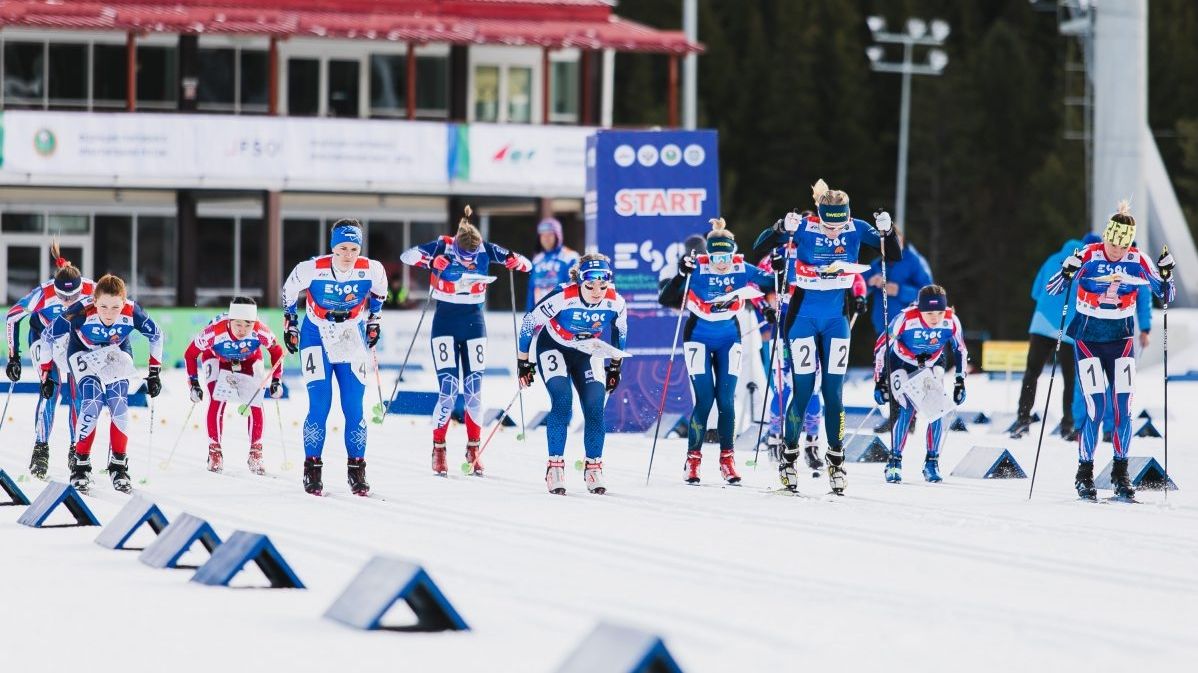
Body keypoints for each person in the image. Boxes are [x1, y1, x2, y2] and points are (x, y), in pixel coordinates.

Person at [753, 179, 901, 495]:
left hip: (836, 321)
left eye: (839, 225)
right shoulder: (805, 228)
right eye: (827, 225)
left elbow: (894, 255)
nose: (834, 232)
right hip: (802, 319)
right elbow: (760, 247)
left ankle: (836, 461)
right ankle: (789, 460)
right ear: (819, 216)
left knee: (834, 393)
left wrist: (887, 232)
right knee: (803, 390)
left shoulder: (857, 227)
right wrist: (780, 227)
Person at [1046, 200, 1175, 501]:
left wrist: (1167, 275)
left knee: (1124, 408)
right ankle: (1084, 472)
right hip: (1088, 341)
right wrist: (1066, 271)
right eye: (1111, 244)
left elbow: (1166, 295)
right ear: (1104, 237)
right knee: (1095, 407)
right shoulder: (1087, 255)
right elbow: (1053, 290)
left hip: (1122, 341)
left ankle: (1120, 470)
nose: (1115, 252)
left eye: (1121, 247)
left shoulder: (1138, 259)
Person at [401, 206, 531, 477]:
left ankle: (474, 449)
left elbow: (527, 264)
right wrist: (429, 262)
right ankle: (439, 448)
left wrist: (515, 262)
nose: (471, 262)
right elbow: (407, 256)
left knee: (473, 390)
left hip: (474, 322)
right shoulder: (442, 245)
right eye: (465, 257)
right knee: (448, 389)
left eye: (474, 258)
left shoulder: (486, 248)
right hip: (445, 322)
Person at [658, 218, 775, 485]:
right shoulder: (697, 268)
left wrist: (777, 269)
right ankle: (693, 460)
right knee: (704, 400)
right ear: (707, 253)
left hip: (729, 339)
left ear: (733, 253)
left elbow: (770, 282)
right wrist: (681, 274)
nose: (721, 262)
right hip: (698, 337)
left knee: (726, 401)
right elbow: (666, 298)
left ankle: (727, 460)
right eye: (715, 256)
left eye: (726, 255)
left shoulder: (741, 268)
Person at [282, 219, 388, 496]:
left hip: (351, 335)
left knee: (354, 407)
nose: (348, 255)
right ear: (332, 247)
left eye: (353, 248)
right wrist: (290, 323)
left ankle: (357, 471)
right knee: (320, 404)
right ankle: (312, 469)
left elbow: (380, 293)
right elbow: (288, 291)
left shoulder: (372, 269)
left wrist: (375, 321)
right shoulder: (311, 268)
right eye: (342, 248)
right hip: (315, 333)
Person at [40, 274, 163, 493]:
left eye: (115, 307)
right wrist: (47, 373)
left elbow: (156, 336)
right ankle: (81, 464)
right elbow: (47, 335)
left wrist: (154, 372)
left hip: (116, 352)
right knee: (92, 402)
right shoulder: (79, 311)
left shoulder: (132, 312)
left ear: (123, 303)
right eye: (103, 306)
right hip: (83, 352)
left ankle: (118, 464)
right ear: (94, 301)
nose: (109, 313)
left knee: (118, 403)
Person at [517, 254, 627, 495]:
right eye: (590, 286)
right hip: (553, 346)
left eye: (603, 285)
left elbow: (620, 331)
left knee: (595, 406)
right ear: (580, 282)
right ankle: (555, 467)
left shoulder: (615, 301)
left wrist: (615, 366)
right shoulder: (563, 295)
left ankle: (594, 468)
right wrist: (523, 362)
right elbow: (528, 323)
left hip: (586, 352)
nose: (597, 291)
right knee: (563, 401)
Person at [5, 244, 95, 479]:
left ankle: (77, 448)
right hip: (43, 337)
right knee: (50, 388)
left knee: (79, 393)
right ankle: (41, 447)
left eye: (73, 297)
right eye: (62, 296)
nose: (67, 302)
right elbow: (12, 317)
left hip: (73, 338)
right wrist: (13, 356)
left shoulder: (92, 290)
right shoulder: (42, 294)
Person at [873, 285, 968, 483]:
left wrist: (960, 381)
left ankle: (931, 463)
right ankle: (894, 462)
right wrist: (880, 380)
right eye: (929, 313)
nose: (935, 318)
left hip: (930, 364)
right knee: (907, 409)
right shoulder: (906, 319)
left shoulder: (951, 321)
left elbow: (960, 350)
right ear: (920, 309)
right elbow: (881, 345)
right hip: (901, 362)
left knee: (936, 412)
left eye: (939, 312)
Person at [184, 297, 285, 474]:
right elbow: (190, 354)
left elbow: (277, 351)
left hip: (249, 359)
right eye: (238, 325)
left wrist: (276, 380)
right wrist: (193, 383)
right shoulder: (214, 332)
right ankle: (214, 451)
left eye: (248, 325)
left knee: (255, 402)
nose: (243, 330)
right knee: (217, 399)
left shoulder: (261, 331)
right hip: (217, 358)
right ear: (230, 321)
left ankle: (256, 451)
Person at [1010, 234, 1094, 439]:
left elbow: (1035, 292)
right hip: (1069, 327)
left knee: (1032, 373)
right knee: (1069, 378)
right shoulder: (1087, 265)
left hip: (1041, 323)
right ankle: (1068, 425)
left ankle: (1023, 419)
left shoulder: (1051, 259)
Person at [861, 231, 933, 433]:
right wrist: (869, 282)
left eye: (892, 243)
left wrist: (900, 290)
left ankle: (909, 417)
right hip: (884, 327)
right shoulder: (877, 264)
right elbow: (859, 288)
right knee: (888, 371)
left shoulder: (915, 261)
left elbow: (929, 292)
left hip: (910, 327)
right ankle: (896, 416)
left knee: (910, 369)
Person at [526, 217, 579, 310]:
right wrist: (528, 315)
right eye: (543, 235)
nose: (545, 238)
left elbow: (576, 289)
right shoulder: (537, 259)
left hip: (562, 315)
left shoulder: (570, 257)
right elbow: (531, 289)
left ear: (557, 235)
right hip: (539, 316)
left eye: (550, 234)